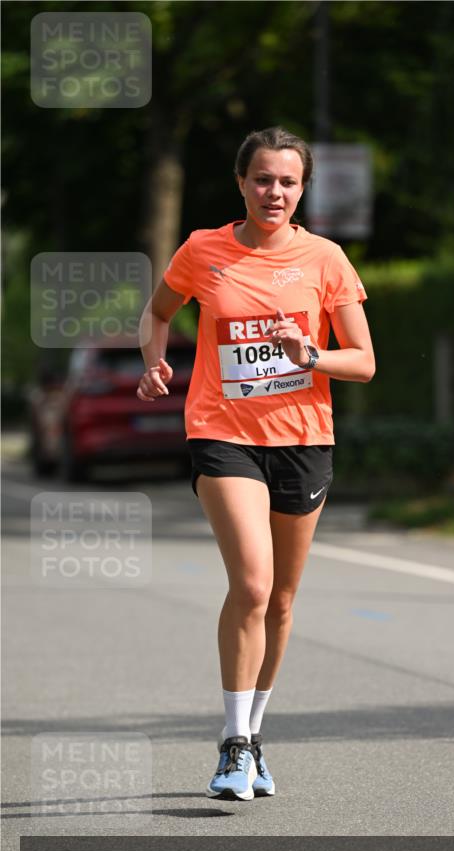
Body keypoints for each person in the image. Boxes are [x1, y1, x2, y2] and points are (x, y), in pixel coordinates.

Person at [136, 126, 375, 802]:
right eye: (263, 179)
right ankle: (232, 744)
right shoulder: (202, 250)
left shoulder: (325, 259)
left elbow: (362, 361)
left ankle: (254, 736)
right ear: (241, 183)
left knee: (283, 600)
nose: (275, 192)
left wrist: (310, 357)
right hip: (222, 433)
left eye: (288, 182)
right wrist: (153, 362)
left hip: (303, 438)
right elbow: (157, 314)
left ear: (302, 189)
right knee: (251, 584)